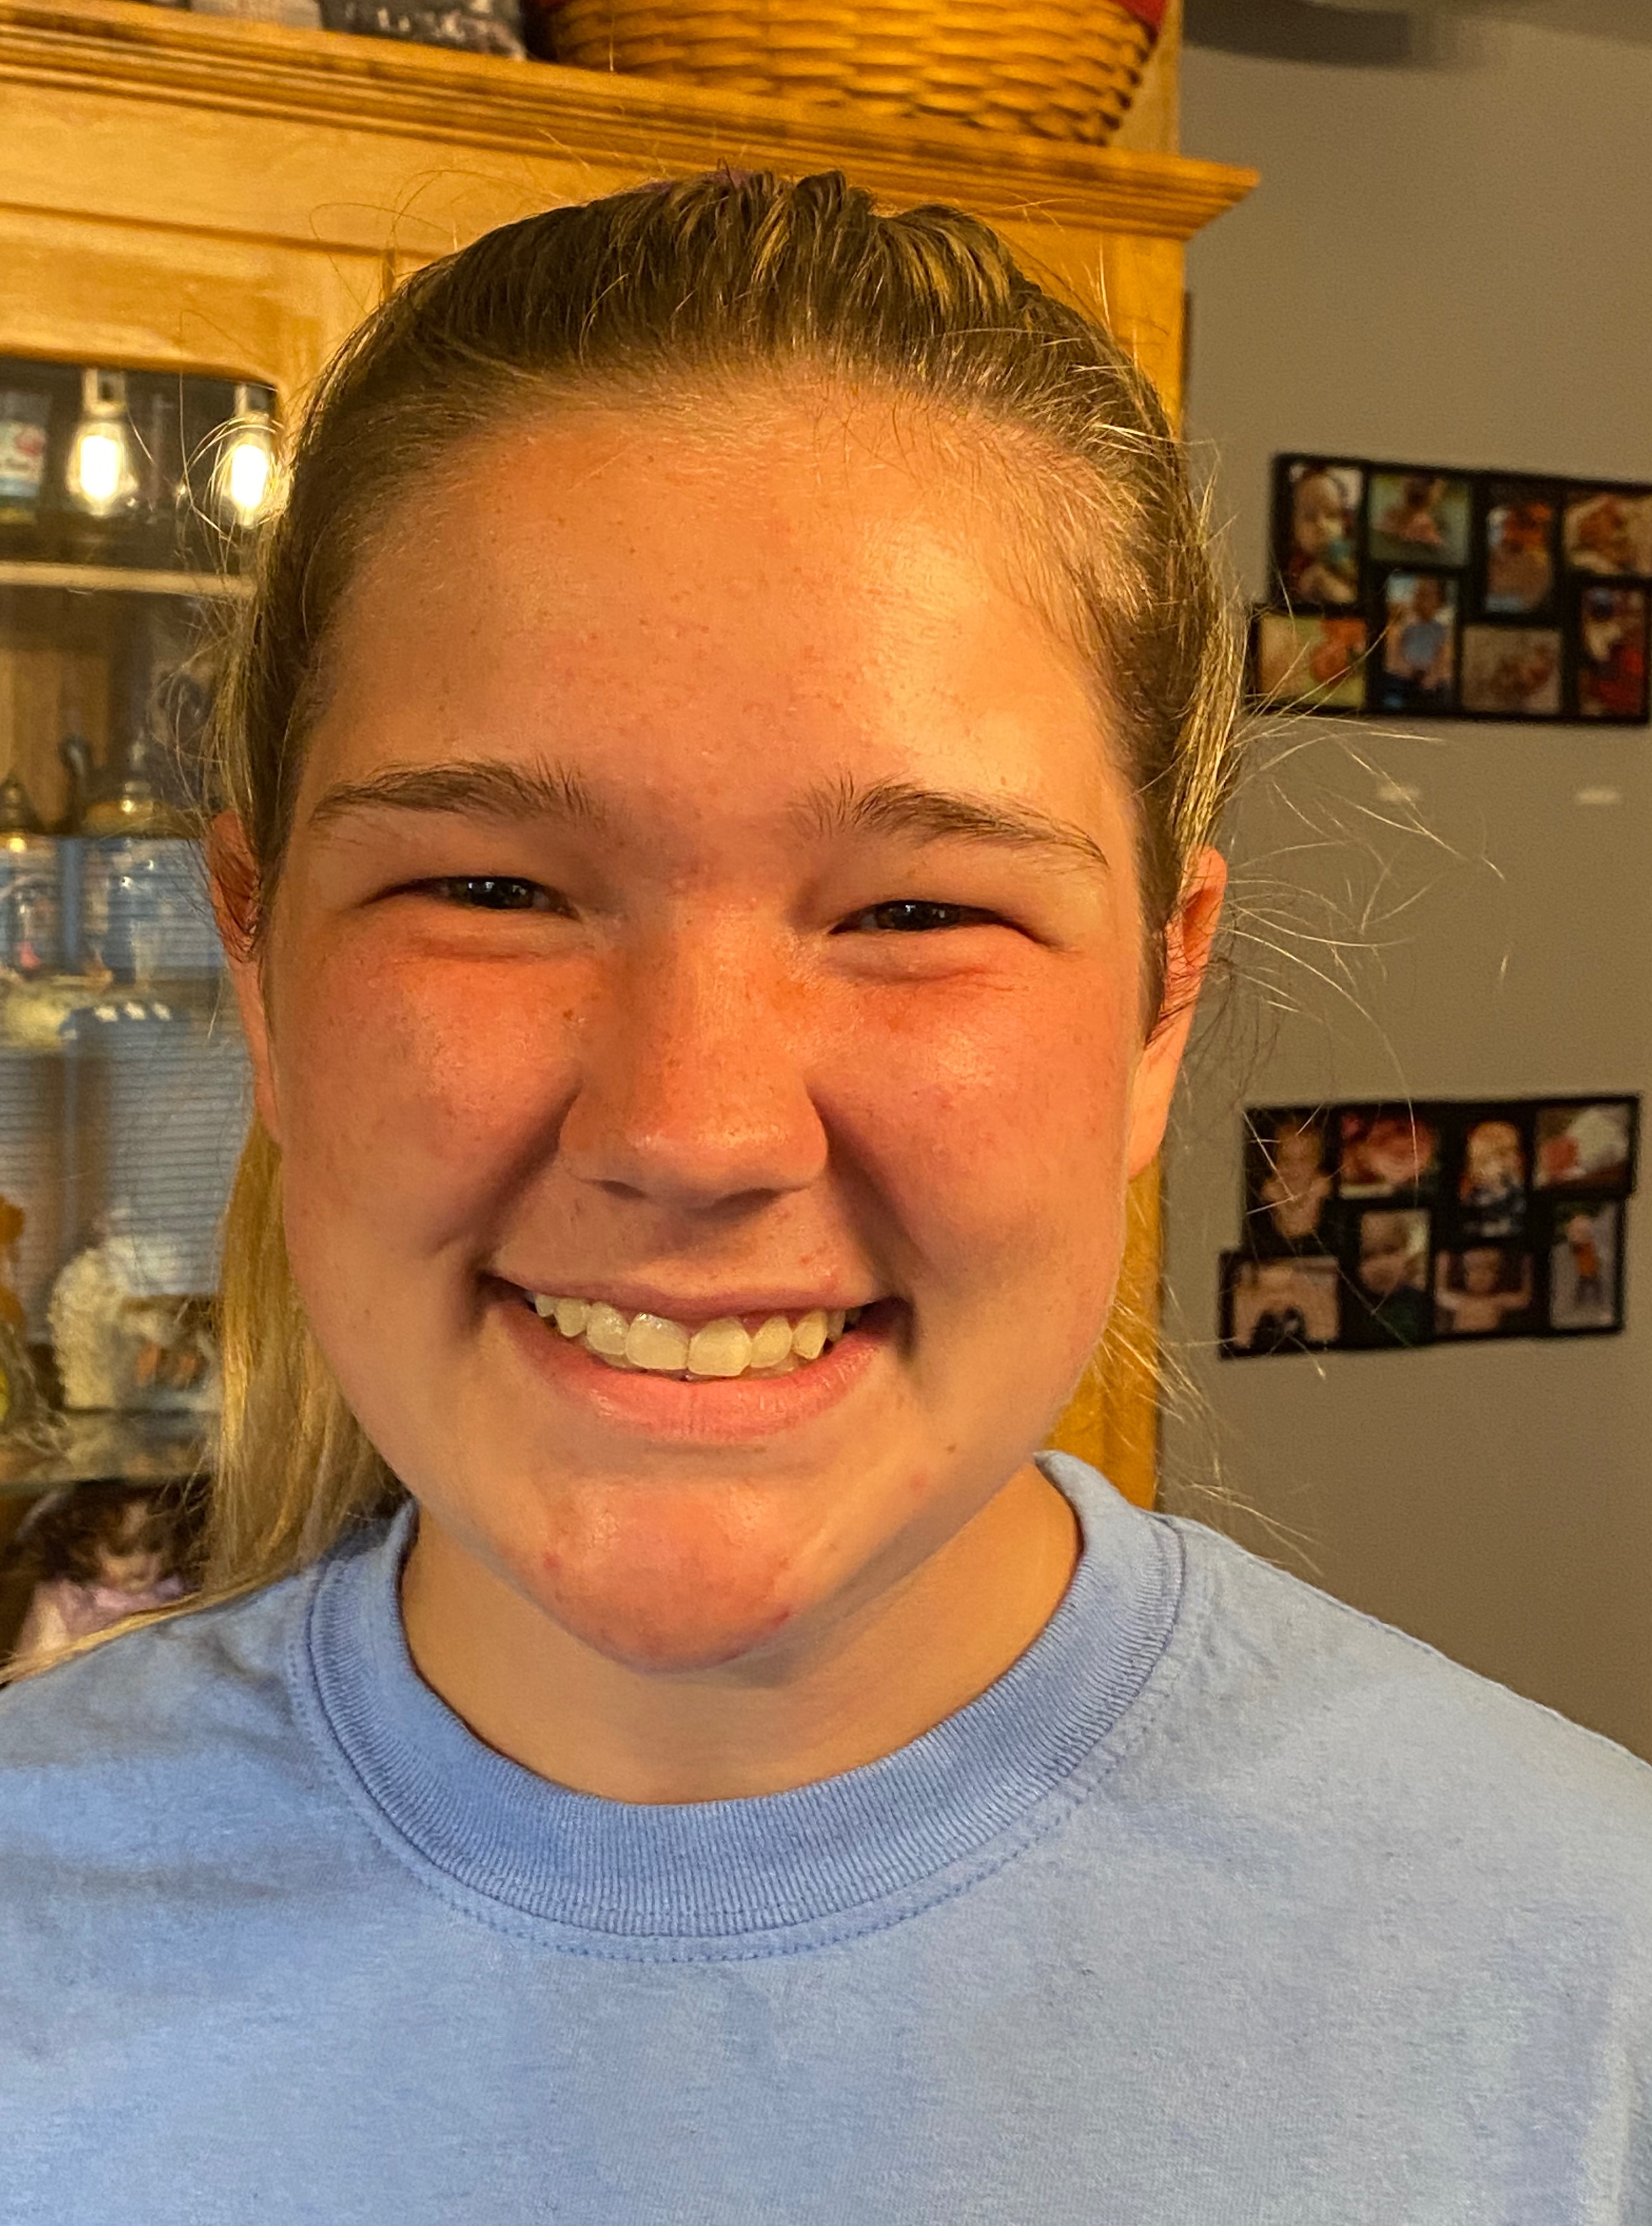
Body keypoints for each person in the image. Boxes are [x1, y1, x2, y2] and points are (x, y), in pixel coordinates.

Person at [3, 171, 1650, 2222]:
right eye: (493, 890)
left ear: (1161, 1004)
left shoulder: (1589, 2000)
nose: (695, 1128)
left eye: (915, 911)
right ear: (259, 966)